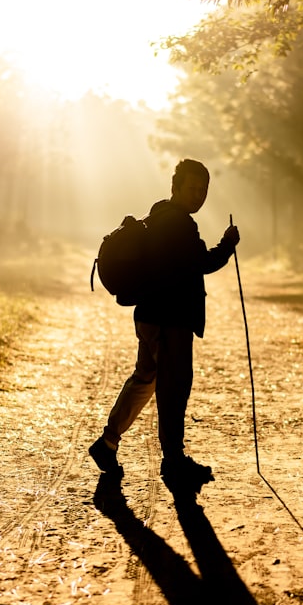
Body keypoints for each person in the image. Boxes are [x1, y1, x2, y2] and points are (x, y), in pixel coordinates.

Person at [89, 159, 240, 493]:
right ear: (176, 188)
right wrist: (228, 244)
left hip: (149, 316)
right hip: (170, 321)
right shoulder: (180, 225)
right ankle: (173, 460)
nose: (198, 195)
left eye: (203, 190)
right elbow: (204, 262)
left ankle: (108, 443)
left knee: (145, 379)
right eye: (192, 188)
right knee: (173, 389)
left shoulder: (158, 216)